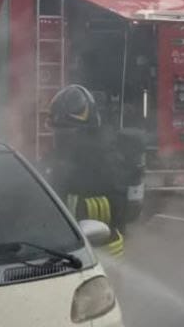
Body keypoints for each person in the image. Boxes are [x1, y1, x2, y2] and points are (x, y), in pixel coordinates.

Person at [46, 84, 130, 260]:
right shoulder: (60, 157)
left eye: (67, 132)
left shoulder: (104, 160)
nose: (60, 138)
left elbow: (116, 208)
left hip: (102, 252)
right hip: (70, 249)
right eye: (57, 131)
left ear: (87, 131)